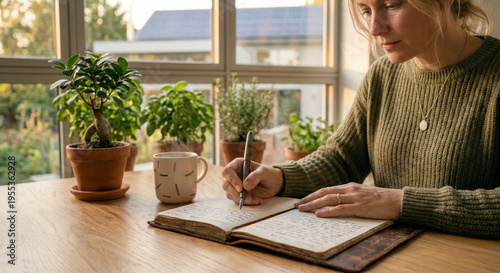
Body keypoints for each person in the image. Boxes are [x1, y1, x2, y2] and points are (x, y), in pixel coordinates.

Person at [222, 0, 500, 239]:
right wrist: (280, 177)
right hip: (387, 255)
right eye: (365, 10)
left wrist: (399, 202)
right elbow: (343, 159)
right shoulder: (382, 75)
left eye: (392, 5)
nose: (374, 28)